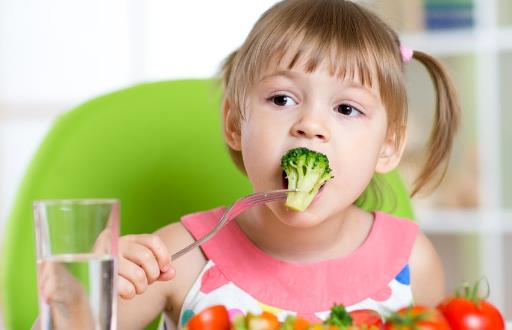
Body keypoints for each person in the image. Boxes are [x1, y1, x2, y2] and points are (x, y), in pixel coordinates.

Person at [117, 0, 461, 329]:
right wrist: (100, 282)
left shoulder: (413, 263)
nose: (310, 125)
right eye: (282, 99)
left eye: (346, 109)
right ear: (236, 124)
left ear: (388, 146)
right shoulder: (179, 256)